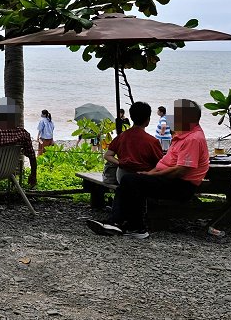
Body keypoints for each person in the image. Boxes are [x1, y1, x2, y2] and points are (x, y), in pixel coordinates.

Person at [87, 99, 209, 239]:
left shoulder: (193, 139)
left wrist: (151, 176)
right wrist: (148, 174)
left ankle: (133, 227)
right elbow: (163, 162)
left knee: (132, 181)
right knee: (129, 181)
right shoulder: (183, 136)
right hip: (171, 180)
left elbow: (181, 170)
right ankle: (118, 223)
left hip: (181, 185)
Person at [104, 102, 163, 183]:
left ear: (131, 117)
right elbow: (161, 164)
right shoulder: (152, 141)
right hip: (143, 178)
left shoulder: (121, 136)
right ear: (148, 120)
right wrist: (149, 173)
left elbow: (107, 155)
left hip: (122, 176)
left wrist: (121, 163)